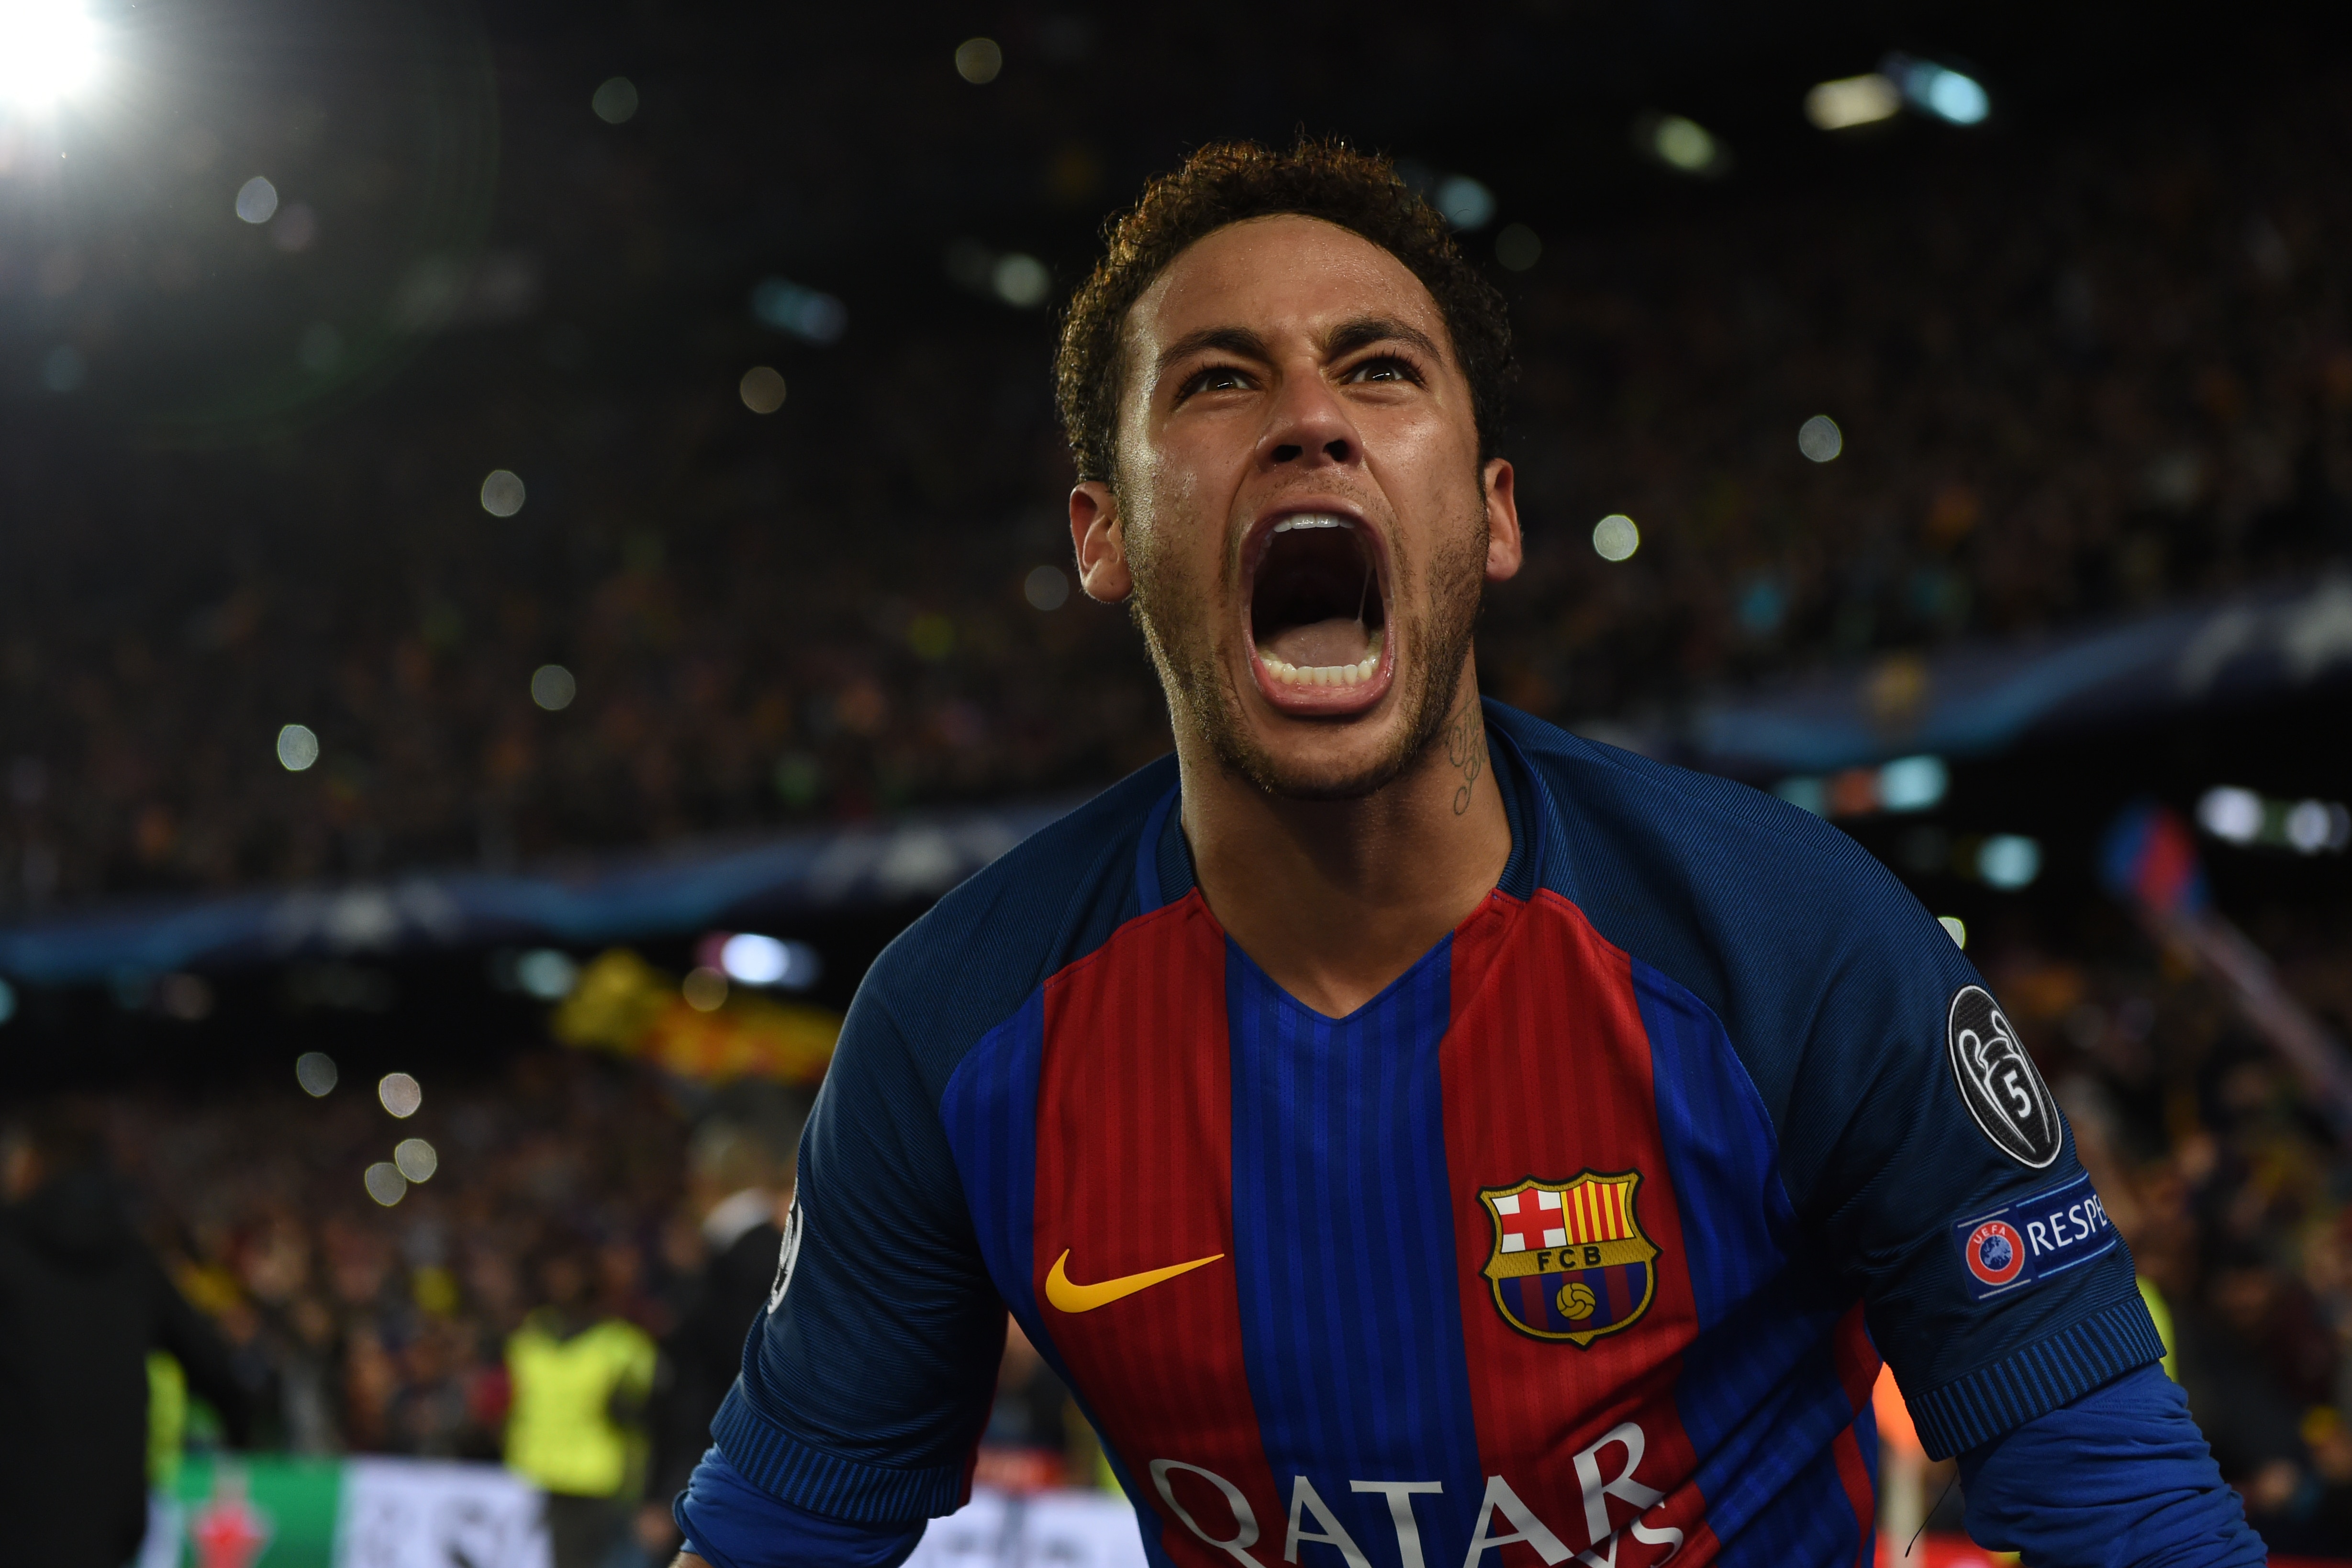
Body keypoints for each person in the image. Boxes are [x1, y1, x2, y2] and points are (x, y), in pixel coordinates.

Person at [669, 141, 2263, 1568]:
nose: (1307, 419)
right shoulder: (950, 1030)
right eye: (1218, 380)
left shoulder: (1803, 948)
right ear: (1103, 533)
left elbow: (2129, 1515)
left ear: (1489, 512)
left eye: (1376, 368)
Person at [0, 1101, 253, 1568]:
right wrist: (241, 1438)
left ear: (34, 1166)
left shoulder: (10, 1252)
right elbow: (219, 1370)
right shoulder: (133, 1263)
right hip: (108, 1527)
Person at [638, 1095, 810, 1560]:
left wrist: (669, 1489)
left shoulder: (735, 1262)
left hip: (720, 1485)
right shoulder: (770, 1252)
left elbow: (725, 1388)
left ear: (703, 1181)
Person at [505, 1234, 658, 1568]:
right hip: (534, 1478)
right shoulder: (527, 1340)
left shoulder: (622, 1345)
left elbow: (646, 1420)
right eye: (555, 1271)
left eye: (571, 1272)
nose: (562, 1281)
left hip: (600, 1482)